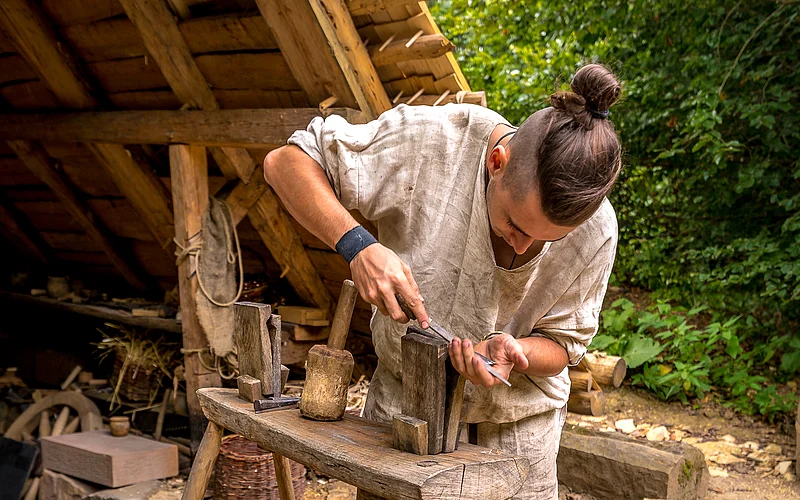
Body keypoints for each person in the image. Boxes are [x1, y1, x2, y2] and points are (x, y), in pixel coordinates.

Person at [263, 63, 622, 499]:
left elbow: (563, 345)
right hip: (405, 417)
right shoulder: (435, 142)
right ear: (497, 163)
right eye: (515, 224)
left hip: (519, 436)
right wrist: (358, 246)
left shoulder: (596, 228)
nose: (523, 245)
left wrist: (518, 351)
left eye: (548, 239)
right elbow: (285, 163)